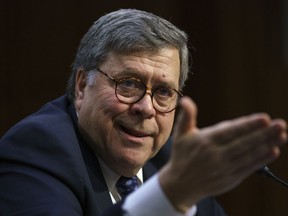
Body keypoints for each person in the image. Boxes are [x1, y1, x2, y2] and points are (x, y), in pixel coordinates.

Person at [0, 8, 287, 216]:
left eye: (163, 92)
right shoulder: (37, 149)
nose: (145, 108)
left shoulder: (170, 160)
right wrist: (167, 195)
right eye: (127, 84)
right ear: (80, 86)